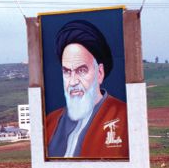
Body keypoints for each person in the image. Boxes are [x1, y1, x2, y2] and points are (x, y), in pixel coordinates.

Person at [45, 20, 129, 158]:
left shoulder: (125, 117)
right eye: (67, 72)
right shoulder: (50, 121)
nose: (73, 82)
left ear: (99, 73)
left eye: (81, 71)